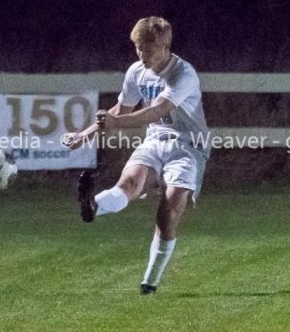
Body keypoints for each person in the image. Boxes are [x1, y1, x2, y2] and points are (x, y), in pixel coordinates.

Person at [63, 16, 210, 295]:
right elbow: (120, 110)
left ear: (165, 46)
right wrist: (84, 134)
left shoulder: (183, 73)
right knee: (129, 183)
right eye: (138, 48)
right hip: (155, 141)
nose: (142, 55)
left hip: (188, 147)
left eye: (148, 49)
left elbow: (157, 110)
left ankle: (149, 283)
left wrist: (116, 123)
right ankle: (94, 206)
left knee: (169, 210)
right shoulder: (136, 71)